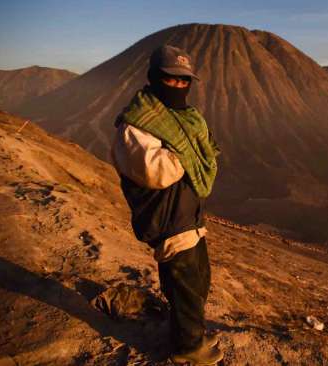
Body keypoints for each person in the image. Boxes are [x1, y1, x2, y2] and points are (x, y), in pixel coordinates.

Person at [110, 44, 222, 365]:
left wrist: (191, 148)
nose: (178, 86)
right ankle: (187, 349)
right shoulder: (136, 124)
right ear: (155, 78)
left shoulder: (182, 118)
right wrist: (189, 152)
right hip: (167, 220)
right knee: (183, 285)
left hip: (189, 216)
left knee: (198, 281)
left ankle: (190, 332)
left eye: (184, 81)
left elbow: (200, 148)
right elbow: (156, 172)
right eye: (171, 80)